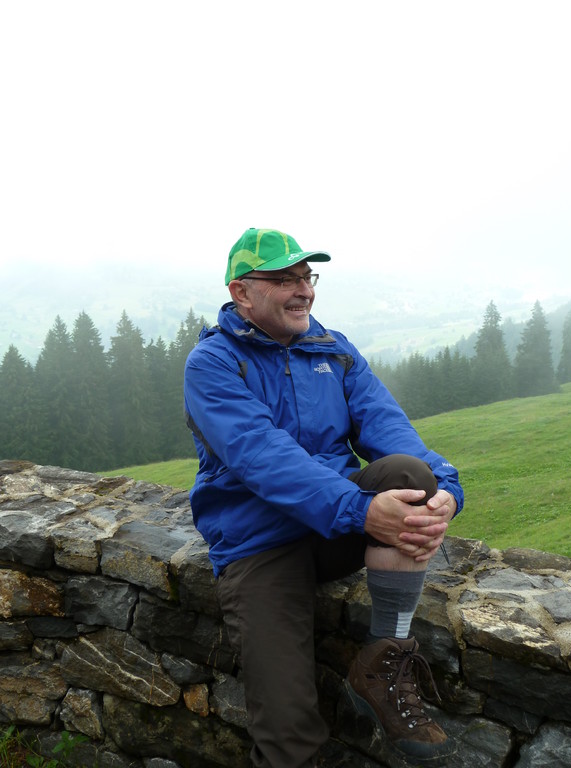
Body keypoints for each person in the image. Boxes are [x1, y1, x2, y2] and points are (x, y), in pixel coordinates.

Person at [184, 228, 464, 768]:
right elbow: (261, 456)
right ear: (241, 292)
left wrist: (447, 489)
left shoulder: (333, 350)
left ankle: (382, 660)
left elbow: (389, 428)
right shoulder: (213, 363)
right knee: (288, 735)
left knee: (411, 475)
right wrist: (362, 510)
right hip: (259, 542)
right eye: (284, 279)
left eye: (306, 276)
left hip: (334, 529)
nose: (304, 290)